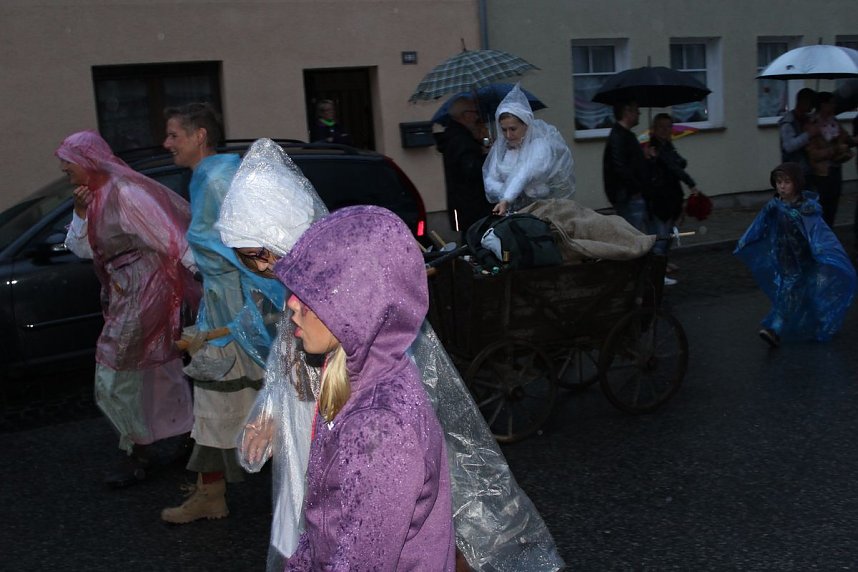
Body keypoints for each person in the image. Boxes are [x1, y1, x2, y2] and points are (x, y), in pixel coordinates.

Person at [216, 138, 565, 572]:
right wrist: (272, 411)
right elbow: (287, 367)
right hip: (323, 436)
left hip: (355, 447)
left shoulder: (359, 322)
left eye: (262, 258)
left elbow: (372, 525)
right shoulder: (317, 305)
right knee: (320, 527)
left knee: (358, 525)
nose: (269, 277)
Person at [274, 205, 456, 569]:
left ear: (359, 306)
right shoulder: (364, 378)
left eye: (313, 295)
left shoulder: (379, 429)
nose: (292, 304)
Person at [159, 103, 285, 524]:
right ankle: (211, 492)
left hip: (237, 310)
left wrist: (256, 310)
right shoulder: (211, 176)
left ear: (199, 136)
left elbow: (245, 246)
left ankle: (310, 493)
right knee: (232, 399)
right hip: (229, 306)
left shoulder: (216, 178)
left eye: (174, 134)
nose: (167, 143)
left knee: (248, 398)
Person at [59, 130, 199, 488]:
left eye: (68, 162)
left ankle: (137, 449)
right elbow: (82, 249)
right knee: (157, 369)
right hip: (128, 292)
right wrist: (79, 211)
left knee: (116, 371)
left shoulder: (126, 193)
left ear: (88, 160)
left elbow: (172, 237)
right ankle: (186, 438)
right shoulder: (94, 196)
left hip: (148, 292)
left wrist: (206, 277)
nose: (65, 169)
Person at [734, 162, 856, 348]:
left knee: (799, 291)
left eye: (786, 182)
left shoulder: (807, 207)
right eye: (778, 182)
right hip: (786, 258)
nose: (782, 186)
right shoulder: (774, 206)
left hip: (807, 257)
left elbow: (818, 231)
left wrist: (821, 251)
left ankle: (786, 327)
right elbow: (759, 224)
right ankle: (799, 324)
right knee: (795, 291)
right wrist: (746, 241)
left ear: (797, 183)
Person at [483, 83, 575, 216]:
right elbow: (490, 179)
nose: (508, 135)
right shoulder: (502, 150)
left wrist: (507, 197)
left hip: (541, 211)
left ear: (526, 125)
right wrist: (505, 195)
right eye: (504, 130)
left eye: (513, 129)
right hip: (511, 212)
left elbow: (524, 172)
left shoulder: (539, 146)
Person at [646, 113, 702, 285]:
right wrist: (691, 184)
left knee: (668, 235)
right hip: (659, 200)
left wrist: (677, 162)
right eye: (661, 126)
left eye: (669, 126)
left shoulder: (667, 146)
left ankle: (662, 265)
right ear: (654, 129)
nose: (665, 130)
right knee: (661, 237)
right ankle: (657, 276)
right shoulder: (654, 148)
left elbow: (679, 163)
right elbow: (673, 167)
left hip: (671, 199)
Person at [434, 95, 493, 242]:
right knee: (475, 240)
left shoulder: (456, 137)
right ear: (465, 115)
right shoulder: (461, 140)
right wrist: (488, 157)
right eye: (475, 113)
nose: (478, 117)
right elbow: (472, 169)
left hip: (464, 204)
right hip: (472, 204)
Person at [804, 91, 857, 226]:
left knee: (833, 207)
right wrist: (834, 150)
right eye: (831, 103)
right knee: (822, 207)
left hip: (835, 169)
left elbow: (846, 138)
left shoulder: (834, 122)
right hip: (822, 173)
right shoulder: (812, 124)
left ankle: (829, 236)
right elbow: (813, 154)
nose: (834, 106)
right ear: (823, 105)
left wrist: (850, 141)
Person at [603, 100, 651, 231]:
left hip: (631, 195)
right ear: (627, 111)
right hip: (628, 197)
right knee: (635, 236)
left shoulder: (626, 135)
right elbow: (620, 167)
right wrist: (635, 189)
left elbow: (631, 162)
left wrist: (644, 156)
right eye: (636, 110)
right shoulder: (618, 136)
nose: (639, 113)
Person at [779, 87, 819, 190]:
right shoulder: (788, 121)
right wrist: (808, 134)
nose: (812, 107)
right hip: (794, 173)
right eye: (811, 103)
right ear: (803, 101)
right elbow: (789, 146)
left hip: (807, 171)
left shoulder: (806, 119)